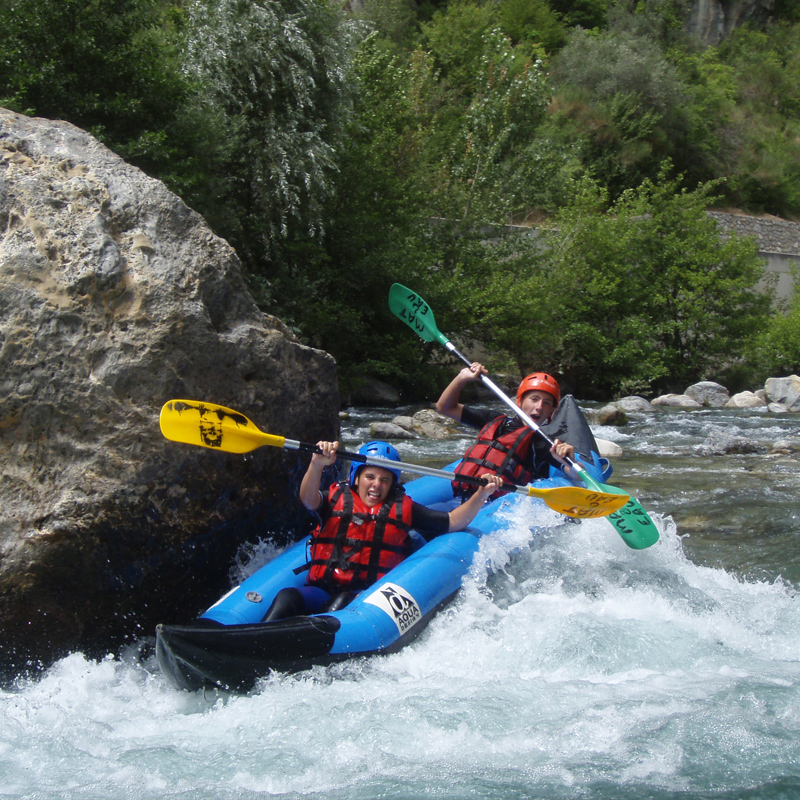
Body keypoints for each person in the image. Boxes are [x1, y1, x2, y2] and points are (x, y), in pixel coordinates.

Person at [262, 440, 503, 621]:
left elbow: (452, 522)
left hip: (365, 596)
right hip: (321, 588)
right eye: (370, 476)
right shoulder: (332, 500)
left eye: (385, 480)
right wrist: (316, 464)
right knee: (288, 596)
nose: (376, 484)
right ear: (356, 478)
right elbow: (308, 499)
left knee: (341, 602)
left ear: (392, 484)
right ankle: (258, 639)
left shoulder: (403, 509)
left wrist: (481, 495)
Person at [436, 363, 577, 498]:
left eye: (546, 403)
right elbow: (445, 407)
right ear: (520, 401)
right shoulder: (495, 420)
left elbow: (575, 474)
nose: (539, 406)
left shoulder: (543, 443)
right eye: (534, 399)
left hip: (497, 507)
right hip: (464, 495)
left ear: (552, 411)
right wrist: (462, 377)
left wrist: (570, 461)